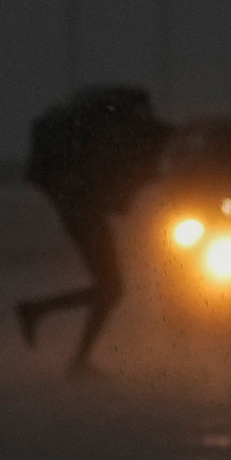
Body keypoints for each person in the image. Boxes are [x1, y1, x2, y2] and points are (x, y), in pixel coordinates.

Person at [15, 87, 172, 378]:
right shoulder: (116, 140)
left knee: (110, 288)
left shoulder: (93, 143)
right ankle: (54, 332)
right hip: (86, 217)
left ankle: (47, 321)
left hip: (81, 216)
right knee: (112, 288)